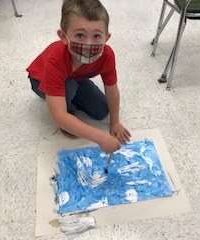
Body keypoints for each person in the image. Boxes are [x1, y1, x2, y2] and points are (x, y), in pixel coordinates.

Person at [26, 0, 131, 153]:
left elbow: (112, 88)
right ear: (63, 36)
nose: (88, 45)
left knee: (101, 110)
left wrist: (115, 123)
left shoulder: (107, 55)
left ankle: (68, 99)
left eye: (96, 36)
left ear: (106, 38)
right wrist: (100, 137)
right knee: (68, 90)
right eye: (80, 35)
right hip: (40, 79)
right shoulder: (56, 58)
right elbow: (59, 116)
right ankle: (66, 106)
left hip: (77, 77)